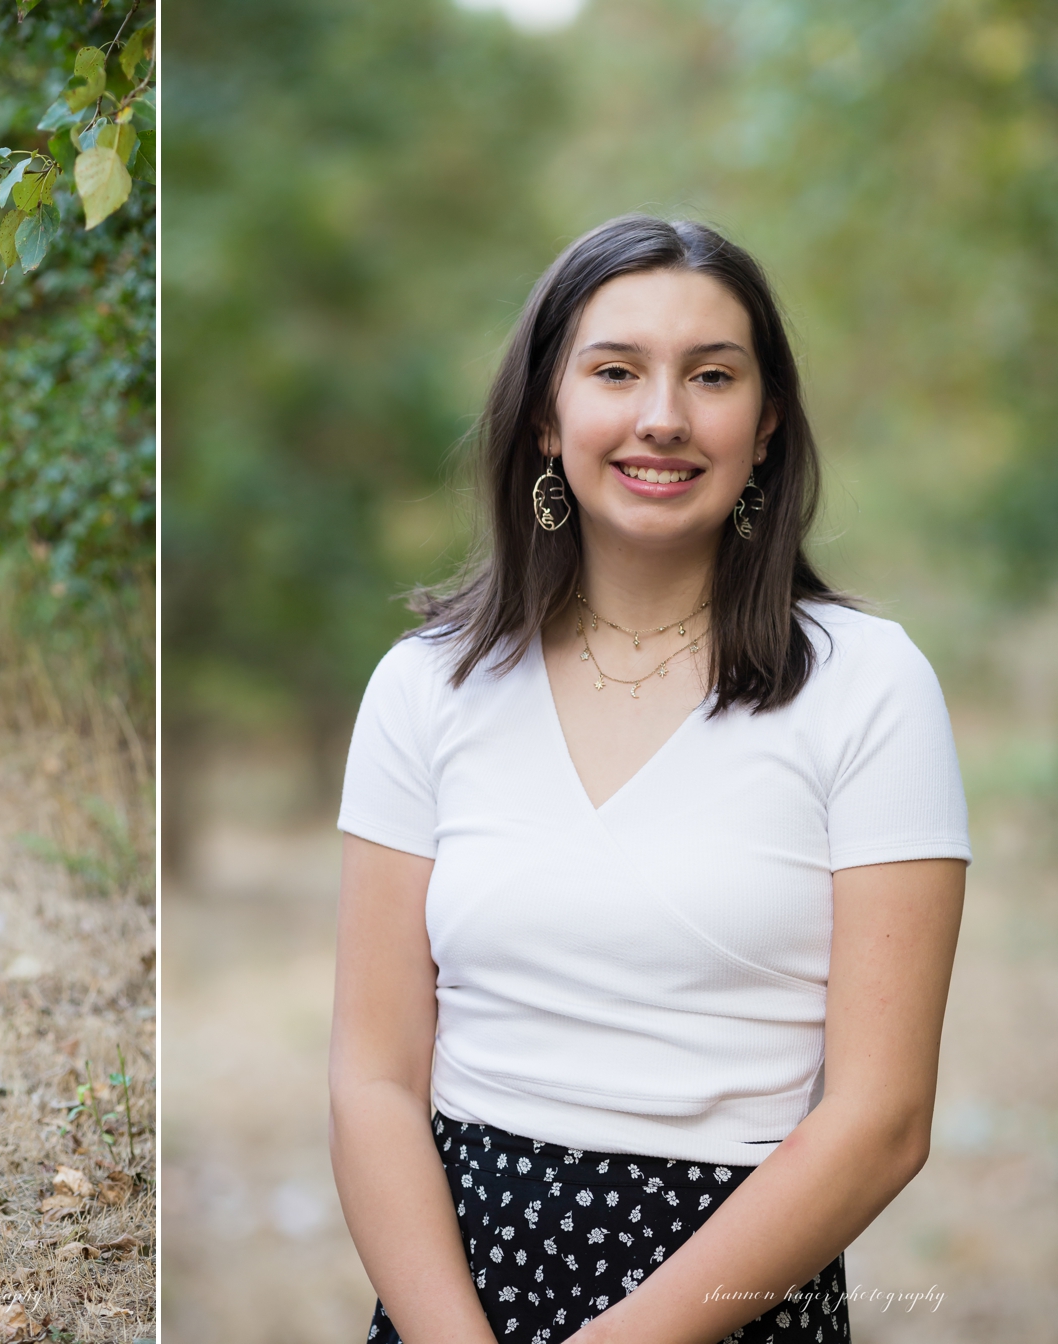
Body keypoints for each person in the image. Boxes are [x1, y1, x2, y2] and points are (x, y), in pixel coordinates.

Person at [328, 215, 969, 1343]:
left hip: (731, 1298)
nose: (662, 416)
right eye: (615, 370)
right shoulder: (424, 687)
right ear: (545, 414)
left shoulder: (871, 687)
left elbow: (883, 1119)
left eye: (711, 376)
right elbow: (373, 1079)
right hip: (456, 1293)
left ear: (765, 425)